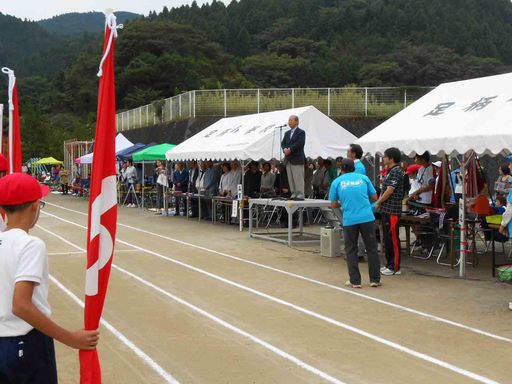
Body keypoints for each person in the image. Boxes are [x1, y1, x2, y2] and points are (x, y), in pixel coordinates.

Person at [0, 173, 99, 383]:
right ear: (35, 206)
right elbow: (21, 305)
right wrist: (72, 339)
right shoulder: (31, 244)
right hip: (25, 345)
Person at [329, 159, 380, 288]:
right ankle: (375, 279)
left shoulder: (337, 182)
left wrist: (344, 203)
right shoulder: (364, 178)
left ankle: (355, 281)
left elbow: (333, 204)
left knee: (351, 249)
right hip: (367, 218)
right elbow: (374, 197)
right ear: (354, 167)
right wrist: (363, 200)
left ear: (342, 169)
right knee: (372, 248)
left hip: (349, 219)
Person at [376, 147, 405, 276]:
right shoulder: (390, 171)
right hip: (387, 210)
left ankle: (395, 266)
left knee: (393, 238)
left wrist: (379, 201)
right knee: (388, 239)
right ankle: (390, 264)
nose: (384, 158)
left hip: (392, 210)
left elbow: (389, 190)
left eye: (385, 156)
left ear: (391, 158)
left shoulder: (396, 171)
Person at [281, 115, 305, 200]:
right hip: (288, 159)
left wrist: (290, 149)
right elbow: (282, 143)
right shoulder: (287, 133)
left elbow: (300, 143)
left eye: (291, 120)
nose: (289, 122)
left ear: (297, 122)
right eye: (289, 120)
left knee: (298, 177)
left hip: (297, 158)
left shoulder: (301, 132)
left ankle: (300, 194)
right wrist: (284, 149)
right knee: (291, 178)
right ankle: (294, 193)